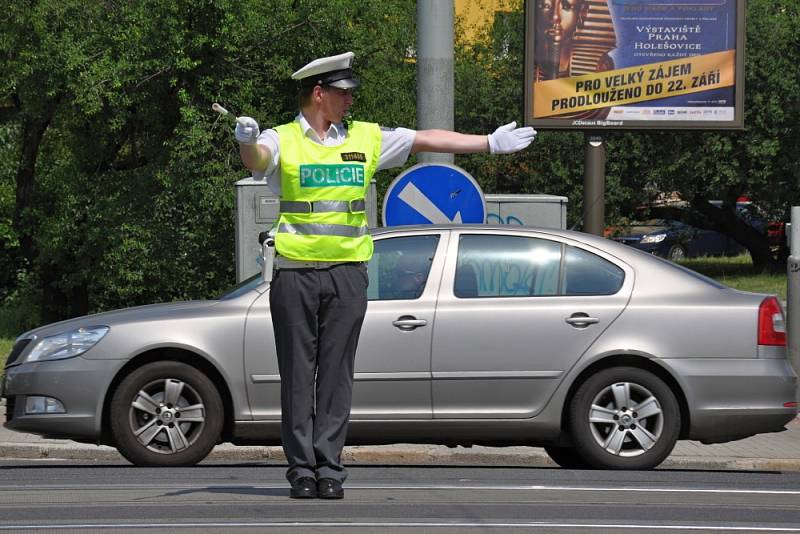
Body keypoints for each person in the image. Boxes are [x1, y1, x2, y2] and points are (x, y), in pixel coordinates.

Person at [234, 51, 536, 500]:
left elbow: (425, 138)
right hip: (295, 275)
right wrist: (246, 140)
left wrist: (487, 143)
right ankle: (301, 469)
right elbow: (258, 162)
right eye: (343, 94)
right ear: (320, 94)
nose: (350, 102)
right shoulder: (282, 139)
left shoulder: (366, 137)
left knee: (337, 376)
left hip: (348, 275)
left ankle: (329, 469)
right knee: (298, 375)